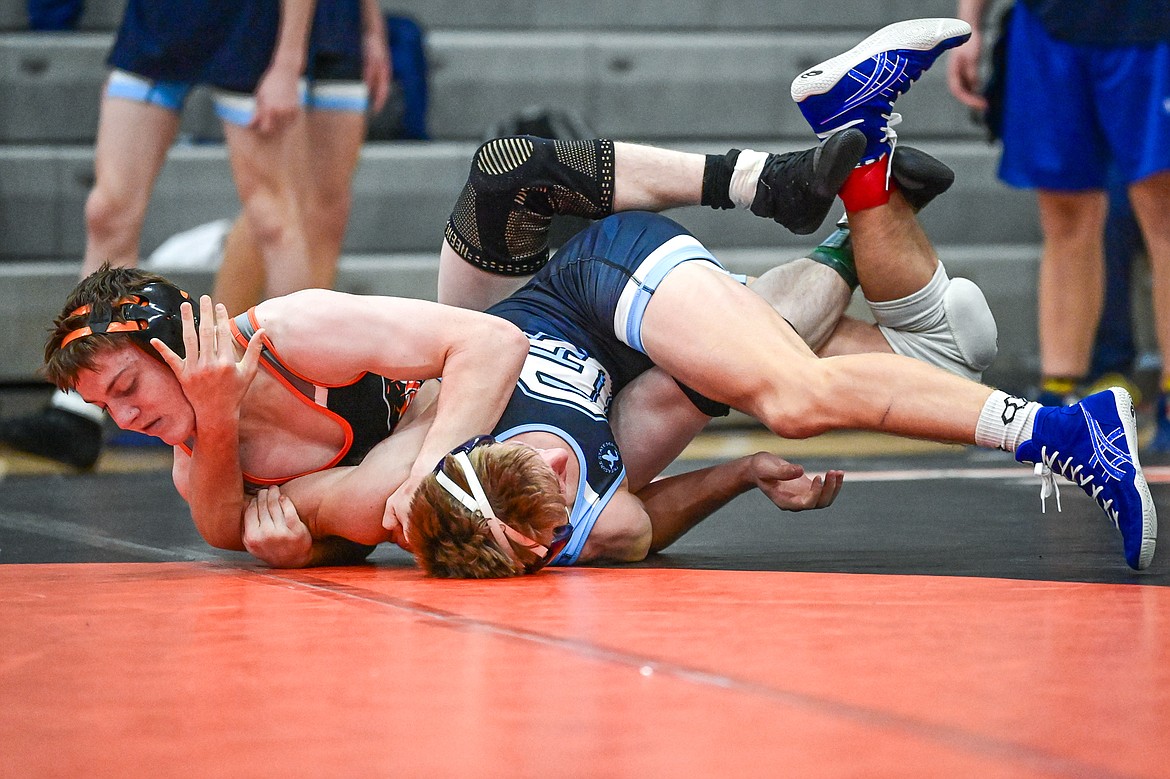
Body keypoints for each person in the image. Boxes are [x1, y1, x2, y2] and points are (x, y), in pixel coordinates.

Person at [241, 20, 1155, 576]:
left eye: (549, 490)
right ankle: (863, 184)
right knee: (937, 354)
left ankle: (1068, 431)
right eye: (560, 517)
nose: (566, 488)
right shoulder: (601, 522)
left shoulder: (369, 425)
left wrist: (389, 487)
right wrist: (742, 475)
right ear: (545, 546)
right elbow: (648, 500)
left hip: (581, 284)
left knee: (794, 398)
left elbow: (475, 359)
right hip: (633, 355)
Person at [0, 0, 378, 468]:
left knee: (274, 218)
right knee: (107, 211)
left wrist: (287, 62)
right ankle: (80, 408)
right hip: (163, 20)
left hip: (247, 26)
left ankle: (301, 390)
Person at [947, 0, 1170, 452]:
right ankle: (1060, 407)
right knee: (1066, 216)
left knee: (1162, 211)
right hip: (1050, 27)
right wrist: (968, 21)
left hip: (1152, 26)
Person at [212, 0, 391, 316]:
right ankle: (222, 344)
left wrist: (372, 29)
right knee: (273, 215)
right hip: (266, 25)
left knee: (328, 209)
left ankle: (308, 348)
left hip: (337, 20)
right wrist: (288, 62)